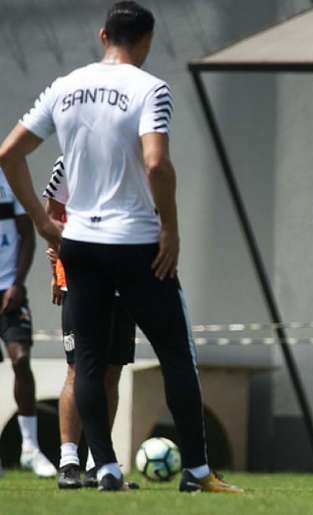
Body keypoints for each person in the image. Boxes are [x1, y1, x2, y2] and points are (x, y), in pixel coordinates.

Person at [0, 1, 240, 493]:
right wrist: (170, 230)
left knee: (86, 360)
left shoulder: (63, 87)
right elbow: (157, 164)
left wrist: (46, 223)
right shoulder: (151, 88)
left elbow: (9, 154)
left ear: (102, 34)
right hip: (134, 242)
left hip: (79, 245)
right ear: (147, 41)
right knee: (175, 354)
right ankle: (196, 472)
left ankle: (104, 467)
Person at [43, 156, 137, 490]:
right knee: (78, 369)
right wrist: (56, 271)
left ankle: (101, 462)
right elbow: (52, 214)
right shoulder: (69, 159)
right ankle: (69, 462)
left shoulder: (134, 154)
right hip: (80, 281)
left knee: (113, 370)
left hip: (124, 282)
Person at [0, 167, 56, 478]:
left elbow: (27, 235)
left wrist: (18, 283)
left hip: (9, 290)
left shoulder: (6, 177)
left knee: (21, 360)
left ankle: (30, 449)